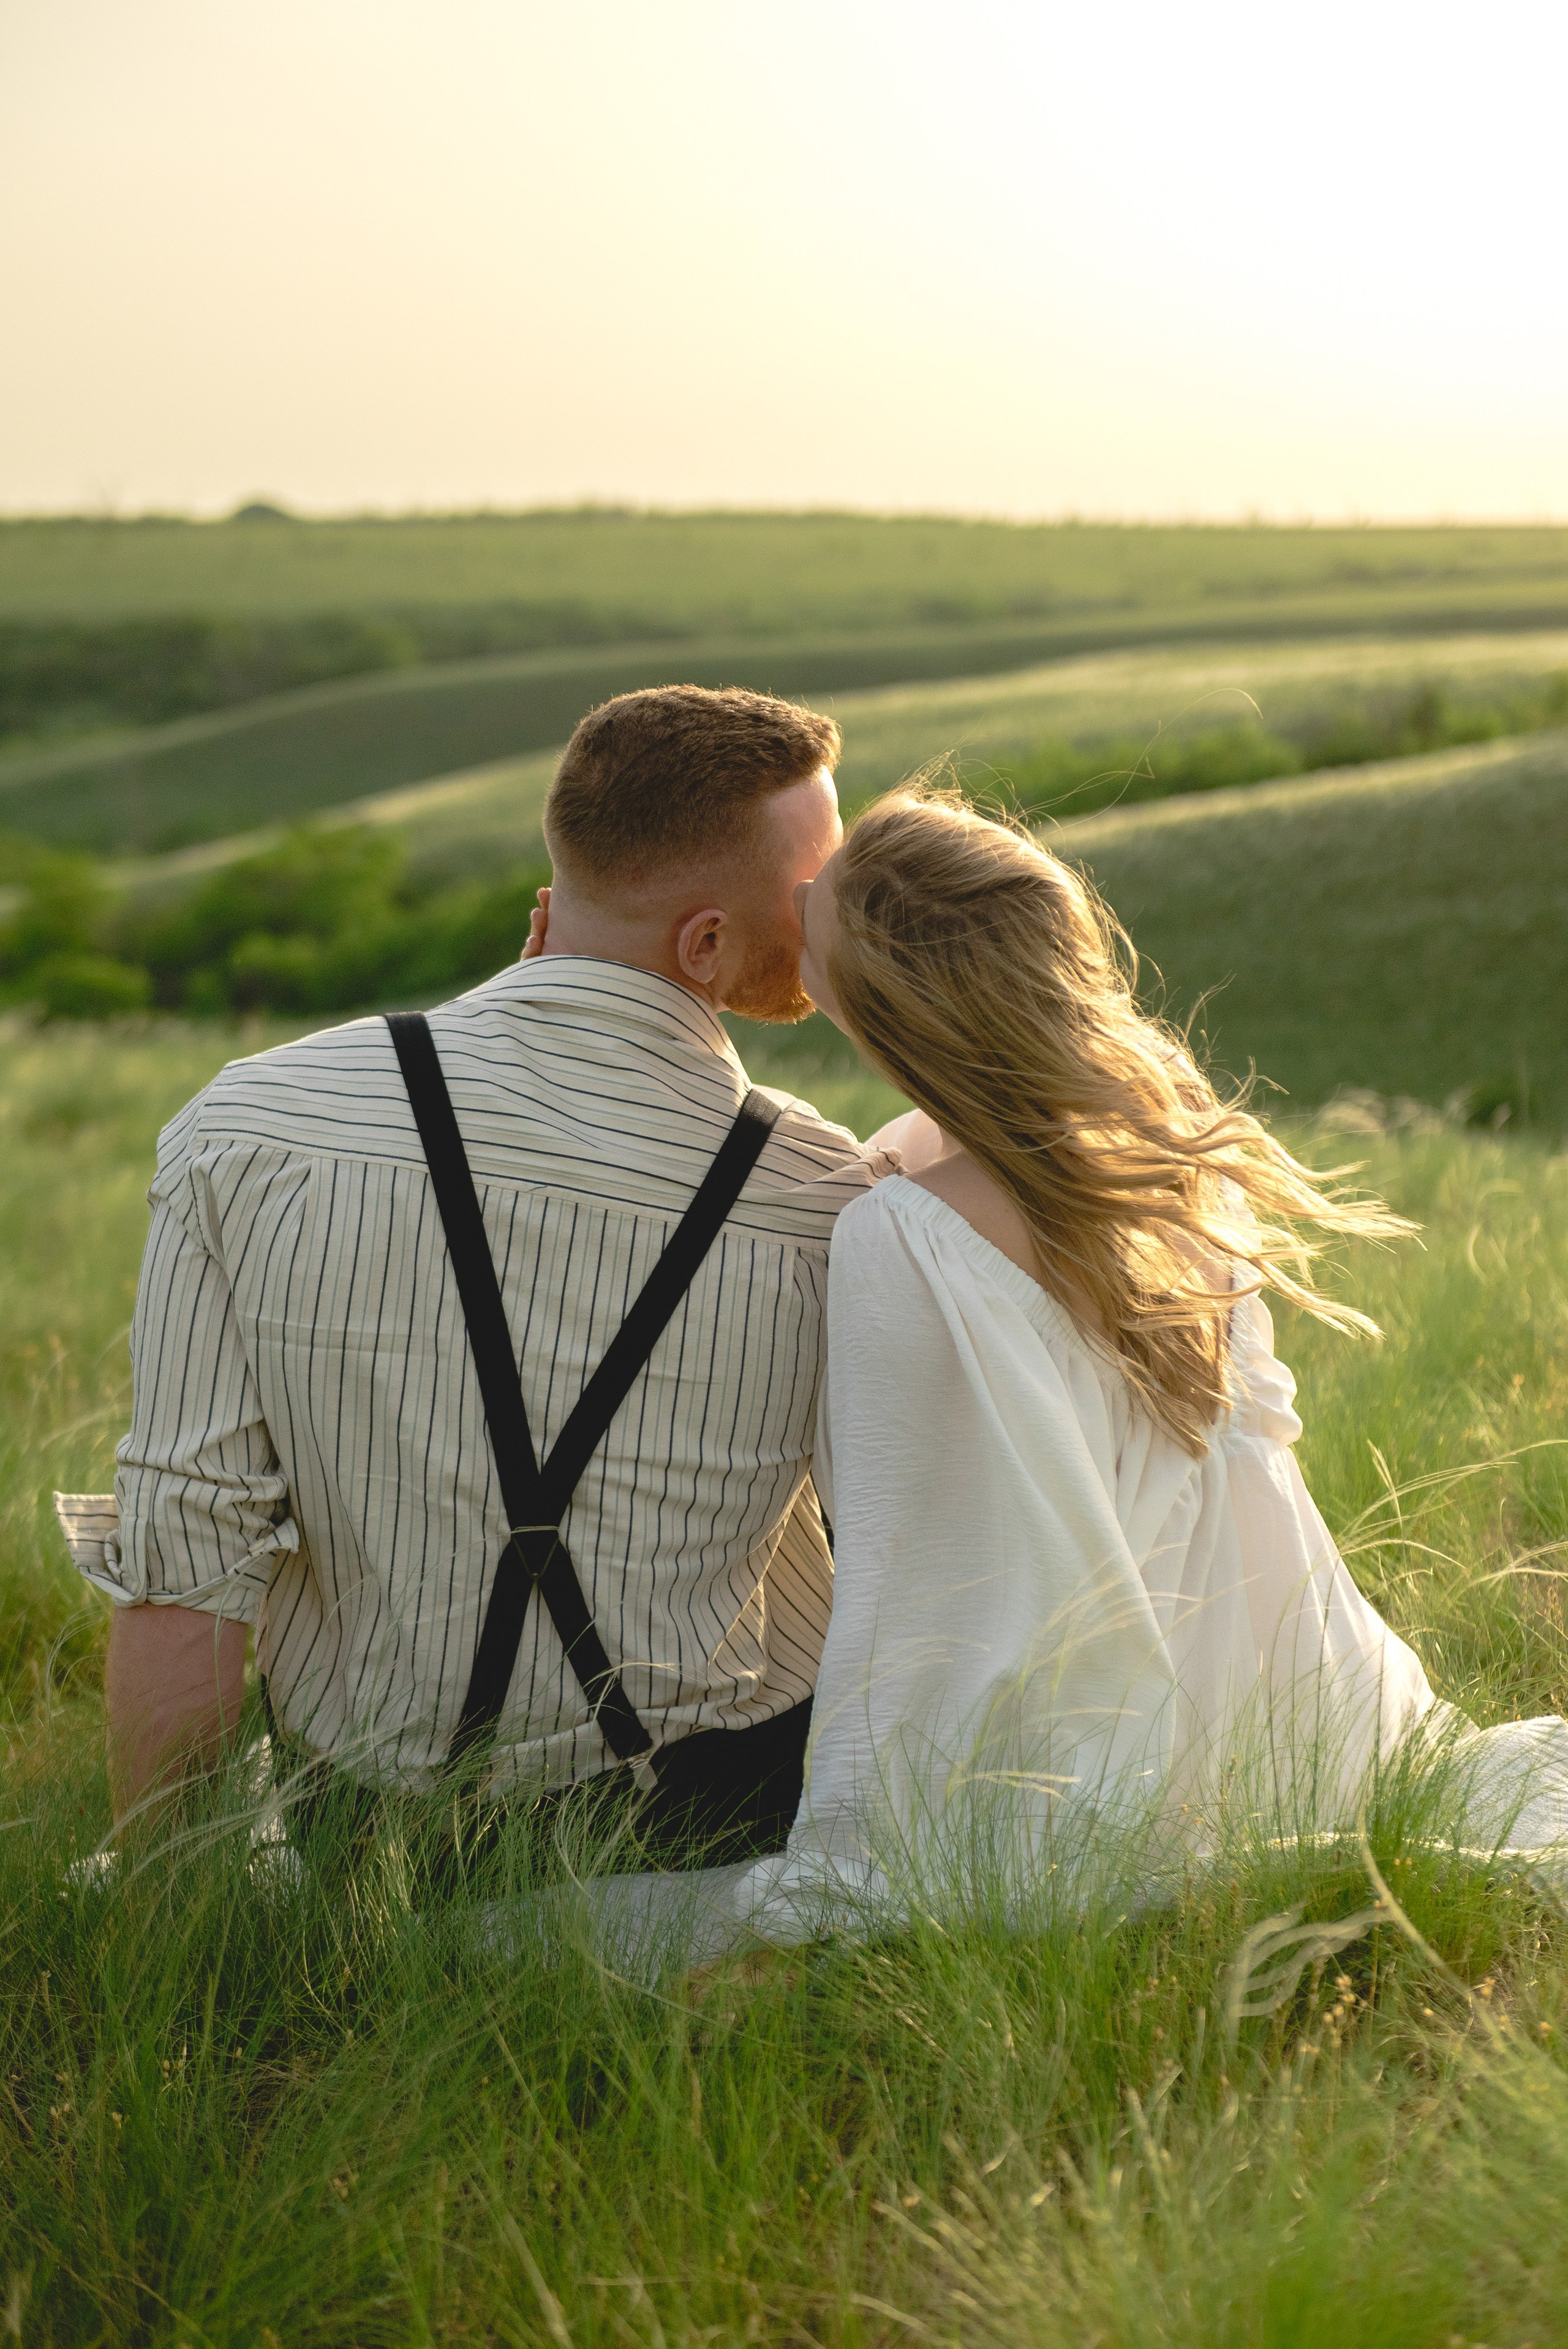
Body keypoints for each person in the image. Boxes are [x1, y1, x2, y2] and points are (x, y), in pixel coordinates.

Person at [56, 684, 899, 1875]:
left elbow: (185, 1562)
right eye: (817, 889)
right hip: (709, 1835)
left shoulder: (245, 1124)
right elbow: (902, 1566)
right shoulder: (822, 1195)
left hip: (361, 1832)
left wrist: (170, 1917)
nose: (835, 913)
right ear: (704, 946)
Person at [735, 784, 1568, 1931]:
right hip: (1297, 1701)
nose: (792, 902)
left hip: (1097, 1751)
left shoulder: (905, 1234)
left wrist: (871, 1811)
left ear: (882, 1013)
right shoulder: (1172, 1161)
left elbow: (919, 1568)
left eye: (812, 914)